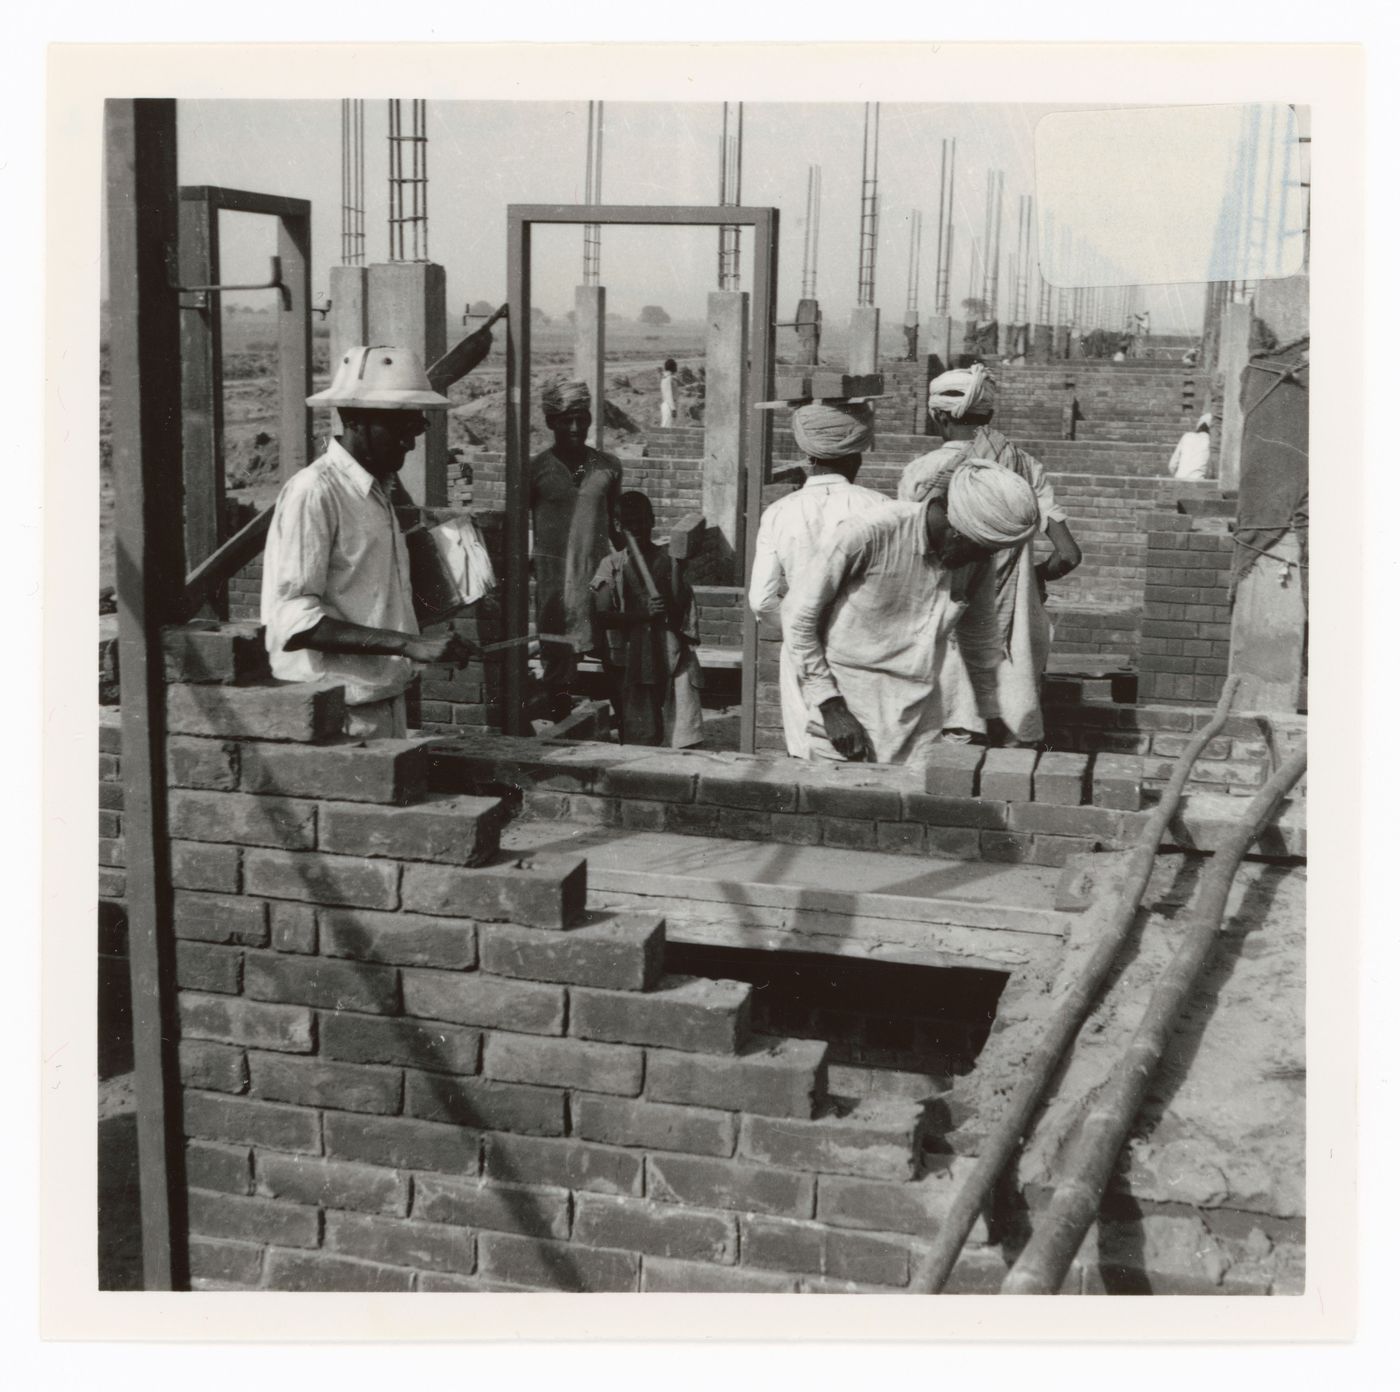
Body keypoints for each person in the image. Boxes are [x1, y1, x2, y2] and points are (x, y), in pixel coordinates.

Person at [261, 345, 476, 739]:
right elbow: (291, 621)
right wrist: (410, 644)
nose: (411, 444)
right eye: (400, 430)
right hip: (336, 713)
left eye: (416, 429)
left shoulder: (379, 491)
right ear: (356, 420)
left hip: (380, 701)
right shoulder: (315, 492)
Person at [785, 459, 1041, 765]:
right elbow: (798, 617)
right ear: (955, 530)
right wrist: (829, 705)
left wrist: (991, 713)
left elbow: (979, 635)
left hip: (921, 716)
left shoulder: (976, 558)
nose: (984, 559)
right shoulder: (869, 534)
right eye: (980, 549)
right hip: (847, 710)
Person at [900, 365, 1082, 747]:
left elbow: (914, 558)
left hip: (947, 638)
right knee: (1013, 760)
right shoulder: (1024, 467)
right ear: (990, 415)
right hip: (1016, 641)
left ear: (938, 417)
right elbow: (1067, 554)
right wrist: (1034, 578)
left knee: (948, 764)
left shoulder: (921, 474)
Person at [748, 401, 888, 757]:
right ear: (857, 454)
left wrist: (799, 629)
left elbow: (762, 601)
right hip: (866, 654)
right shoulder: (883, 508)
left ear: (807, 455)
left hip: (803, 661)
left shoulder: (779, 512)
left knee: (808, 757)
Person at [529, 378, 623, 719]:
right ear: (550, 421)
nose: (575, 427)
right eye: (566, 419)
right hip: (554, 586)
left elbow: (618, 527)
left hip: (598, 584)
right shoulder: (535, 470)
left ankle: (629, 730)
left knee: (614, 659)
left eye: (581, 418)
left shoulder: (608, 467)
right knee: (558, 665)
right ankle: (560, 729)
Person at [590, 491, 703, 748]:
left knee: (671, 726)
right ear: (618, 526)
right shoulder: (611, 564)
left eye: (642, 521)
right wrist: (643, 614)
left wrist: (679, 570)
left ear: (652, 520)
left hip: (664, 654)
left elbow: (680, 613)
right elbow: (602, 616)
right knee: (633, 724)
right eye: (629, 523)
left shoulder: (667, 560)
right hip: (624, 658)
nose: (637, 528)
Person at [1168, 413, 1213, 481]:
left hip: (1179, 479)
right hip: (1198, 482)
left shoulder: (1187, 436)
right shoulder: (1211, 441)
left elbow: (1172, 465)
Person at [659, 359, 679, 428]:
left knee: (667, 426)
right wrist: (673, 409)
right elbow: (669, 395)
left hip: (668, 405)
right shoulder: (669, 379)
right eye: (675, 366)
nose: (677, 367)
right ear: (672, 367)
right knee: (666, 427)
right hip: (669, 406)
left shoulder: (665, 378)